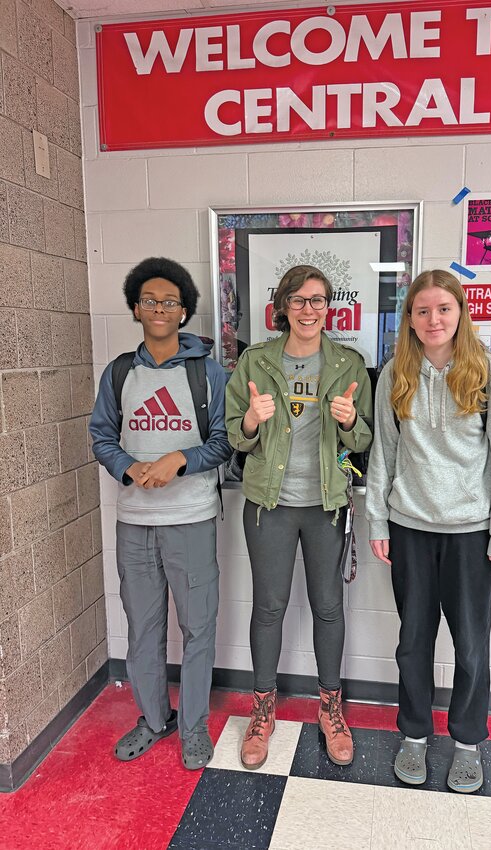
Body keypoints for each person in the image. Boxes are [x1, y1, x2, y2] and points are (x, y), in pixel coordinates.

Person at [365, 270, 491, 793]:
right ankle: (414, 735)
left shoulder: (484, 371)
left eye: (443, 310)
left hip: (470, 533)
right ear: (409, 318)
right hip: (410, 528)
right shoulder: (394, 373)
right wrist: (378, 519)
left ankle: (467, 743)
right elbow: (383, 453)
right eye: (422, 311)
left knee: (471, 646)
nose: (433, 320)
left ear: (459, 313)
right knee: (412, 643)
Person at [225, 265, 372, 770]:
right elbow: (234, 437)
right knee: (269, 606)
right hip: (269, 504)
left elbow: (366, 440)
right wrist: (250, 419)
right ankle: (262, 707)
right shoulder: (255, 361)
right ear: (281, 307)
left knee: (328, 606)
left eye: (318, 300)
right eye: (298, 300)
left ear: (329, 307)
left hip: (326, 505)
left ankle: (330, 706)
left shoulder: (350, 364)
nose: (309, 309)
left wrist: (352, 423)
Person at [89, 257, 232, 770]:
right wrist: (129, 469)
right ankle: (153, 719)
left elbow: (224, 442)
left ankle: (193, 726)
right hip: (135, 525)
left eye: (169, 301)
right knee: (143, 627)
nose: (158, 308)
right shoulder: (120, 373)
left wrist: (178, 460)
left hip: (191, 519)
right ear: (134, 307)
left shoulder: (208, 373)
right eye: (149, 300)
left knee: (198, 628)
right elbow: (102, 435)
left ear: (184, 311)